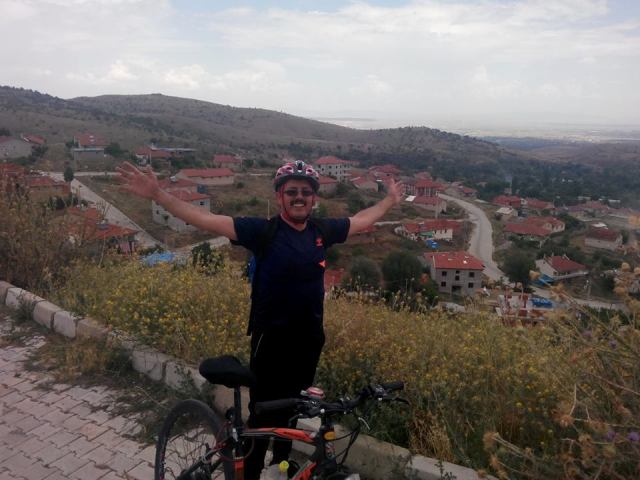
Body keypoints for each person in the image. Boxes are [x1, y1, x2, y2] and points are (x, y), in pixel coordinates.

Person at [117, 160, 403, 479]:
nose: (299, 197)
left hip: (309, 340)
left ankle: (280, 468)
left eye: (305, 192)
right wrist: (158, 194)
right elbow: (206, 219)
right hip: (271, 341)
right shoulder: (263, 232)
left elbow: (361, 219)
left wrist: (390, 200)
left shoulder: (322, 231)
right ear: (279, 197)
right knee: (263, 416)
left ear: (314, 198)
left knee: (293, 410)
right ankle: (251, 474)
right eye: (291, 191)